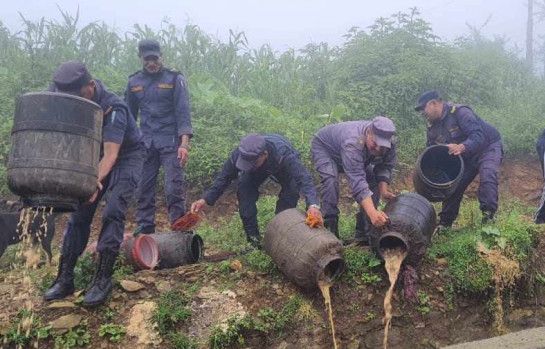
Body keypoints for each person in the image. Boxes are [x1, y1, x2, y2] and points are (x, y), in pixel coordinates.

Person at [43, 61, 146, 307]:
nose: (73, 101)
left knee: (112, 212)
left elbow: (111, 155)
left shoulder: (114, 108)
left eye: (78, 95)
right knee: (79, 213)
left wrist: (93, 182)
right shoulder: (61, 95)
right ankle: (65, 277)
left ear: (90, 86)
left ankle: (102, 279)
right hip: (91, 155)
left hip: (125, 157)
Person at [190, 134, 323, 248]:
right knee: (244, 188)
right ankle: (253, 241)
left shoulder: (283, 154)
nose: (248, 166)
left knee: (291, 190)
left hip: (281, 168)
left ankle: (280, 232)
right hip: (258, 170)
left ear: (264, 155)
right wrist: (205, 199)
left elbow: (303, 178)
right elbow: (224, 177)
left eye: (252, 163)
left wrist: (312, 205)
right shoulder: (241, 153)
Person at [125, 39, 193, 234]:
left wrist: (184, 144)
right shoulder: (134, 82)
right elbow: (129, 117)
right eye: (147, 59)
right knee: (143, 189)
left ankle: (179, 230)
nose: (151, 63)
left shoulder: (174, 79)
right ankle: (145, 230)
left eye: (155, 59)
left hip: (171, 143)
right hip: (145, 144)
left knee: (173, 188)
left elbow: (183, 112)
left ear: (161, 57)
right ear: (141, 59)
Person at [414, 90, 503, 227]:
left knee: (488, 174)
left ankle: (488, 219)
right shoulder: (432, 128)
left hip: (487, 147)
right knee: (454, 186)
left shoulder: (460, 112)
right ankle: (445, 223)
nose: (422, 113)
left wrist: (462, 146)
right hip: (466, 156)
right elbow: (432, 152)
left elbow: (478, 136)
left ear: (433, 104)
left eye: (423, 108)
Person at [311, 117, 397, 240]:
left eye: (382, 146)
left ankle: (364, 230)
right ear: (368, 132)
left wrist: (383, 190)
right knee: (330, 179)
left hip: (351, 154)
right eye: (375, 143)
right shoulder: (353, 143)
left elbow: (386, 165)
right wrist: (373, 213)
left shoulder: (390, 143)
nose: (378, 149)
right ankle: (330, 229)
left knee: (372, 179)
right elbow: (357, 181)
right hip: (325, 148)